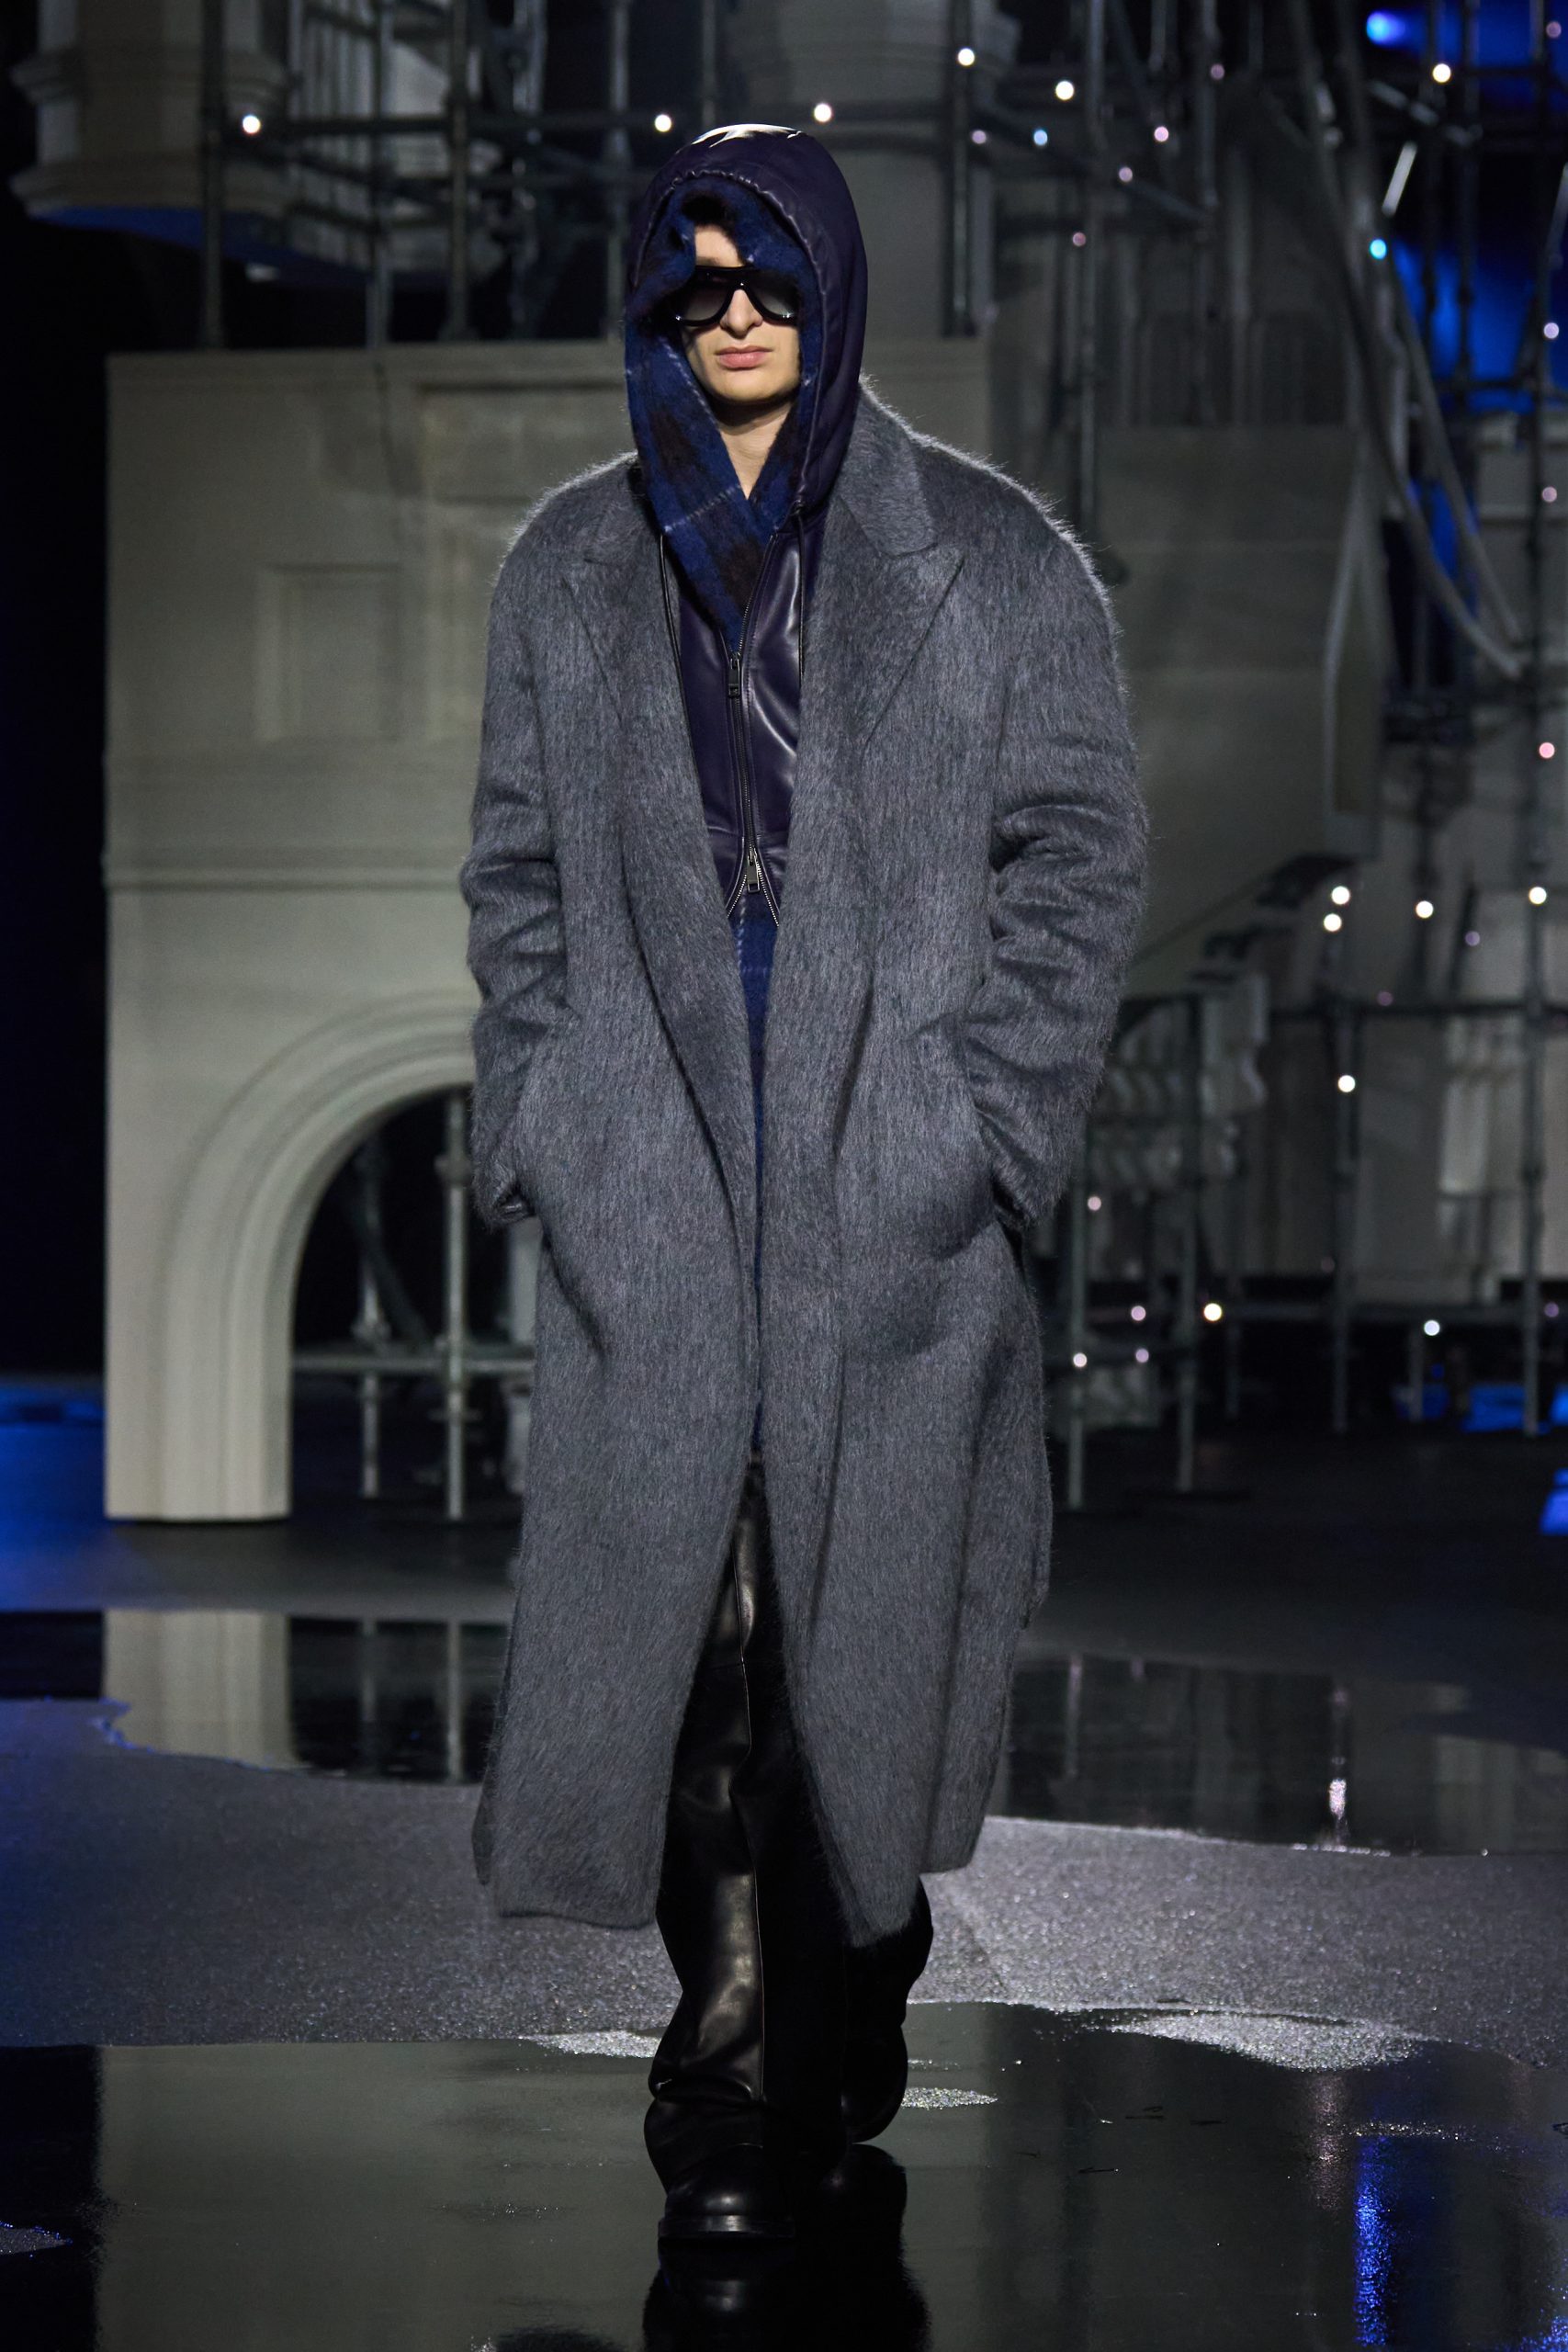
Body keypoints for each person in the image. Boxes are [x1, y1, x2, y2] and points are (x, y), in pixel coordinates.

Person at [461, 124, 1145, 2247]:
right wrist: (547, 1114)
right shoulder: (569, 569)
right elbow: (515, 877)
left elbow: (1076, 863)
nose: (735, 316)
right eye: (697, 285)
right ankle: (742, 2036)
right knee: (702, 1634)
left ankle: (825, 1971)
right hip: (657, 1178)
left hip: (883, 1196)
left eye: (768, 281)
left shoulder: (994, 563)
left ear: (830, 295)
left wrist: (979, 1129)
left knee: (843, 1627)